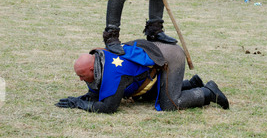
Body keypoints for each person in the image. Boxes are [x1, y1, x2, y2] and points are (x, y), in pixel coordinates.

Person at [55, 39, 229, 113]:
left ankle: (208, 92)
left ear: (92, 69)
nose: (80, 79)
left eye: (81, 75)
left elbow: (108, 107)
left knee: (170, 104)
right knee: (145, 96)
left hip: (170, 57)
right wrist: (84, 97)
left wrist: (79, 104)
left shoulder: (114, 73)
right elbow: (97, 92)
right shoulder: (99, 58)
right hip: (157, 54)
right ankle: (188, 84)